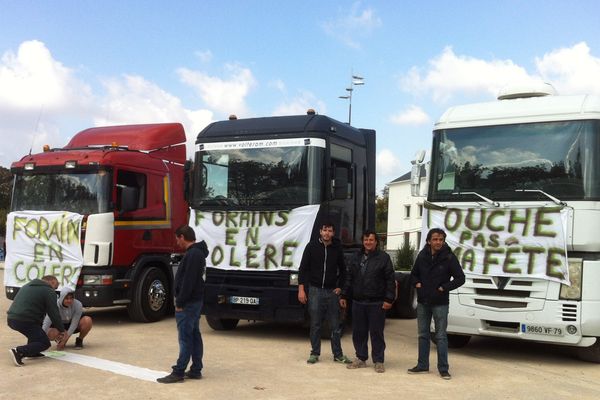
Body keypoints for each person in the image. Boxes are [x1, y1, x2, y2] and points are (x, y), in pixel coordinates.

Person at [408, 228, 465, 380]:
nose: (438, 242)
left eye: (441, 239)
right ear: (428, 241)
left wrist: (444, 287)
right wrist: (417, 284)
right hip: (423, 302)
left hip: (440, 302)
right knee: (422, 335)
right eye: (435, 239)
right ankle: (422, 365)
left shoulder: (449, 257)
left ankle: (443, 369)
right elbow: (413, 274)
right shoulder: (422, 255)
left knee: (440, 336)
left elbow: (460, 278)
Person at [157, 225, 209, 384]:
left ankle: (179, 371)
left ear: (181, 237)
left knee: (185, 337)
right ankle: (196, 368)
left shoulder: (193, 255)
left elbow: (188, 281)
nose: (176, 242)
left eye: (177, 238)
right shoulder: (197, 253)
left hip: (188, 303)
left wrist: (180, 302)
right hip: (195, 301)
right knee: (194, 334)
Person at [340, 230, 395, 373]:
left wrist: (389, 299)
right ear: (362, 241)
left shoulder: (384, 258)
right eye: (366, 240)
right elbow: (349, 278)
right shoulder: (356, 257)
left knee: (376, 333)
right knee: (358, 332)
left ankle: (378, 360)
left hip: (376, 302)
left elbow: (390, 280)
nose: (368, 242)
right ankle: (361, 358)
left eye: (371, 240)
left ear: (376, 242)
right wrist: (344, 295)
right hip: (358, 302)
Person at [298, 220, 351, 365]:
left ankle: (338, 355)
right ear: (320, 232)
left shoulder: (337, 248)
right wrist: (301, 289)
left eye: (330, 231)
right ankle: (315, 353)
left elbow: (344, 270)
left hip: (332, 292)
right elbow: (303, 269)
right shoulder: (311, 247)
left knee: (335, 325)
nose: (327, 233)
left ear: (333, 233)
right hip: (315, 291)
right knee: (315, 324)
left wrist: (340, 288)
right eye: (324, 230)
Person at [7, 275, 66, 366]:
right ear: (53, 282)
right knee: (44, 342)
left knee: (35, 333)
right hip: (25, 320)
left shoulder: (26, 286)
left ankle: (32, 353)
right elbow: (53, 313)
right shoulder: (48, 290)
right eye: (56, 286)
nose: (55, 289)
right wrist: (62, 330)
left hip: (12, 319)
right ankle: (19, 351)